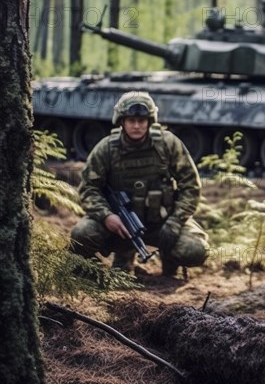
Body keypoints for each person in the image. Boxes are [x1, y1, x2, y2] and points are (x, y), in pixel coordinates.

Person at [71, 91, 209, 280]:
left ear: (150, 121)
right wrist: (106, 216)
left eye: (142, 121)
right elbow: (88, 189)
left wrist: (175, 222)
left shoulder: (167, 144)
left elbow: (191, 186)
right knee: (82, 234)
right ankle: (112, 262)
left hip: (162, 223)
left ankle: (169, 257)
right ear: (121, 121)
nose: (137, 126)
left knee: (195, 250)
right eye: (131, 120)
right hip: (119, 226)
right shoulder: (106, 149)